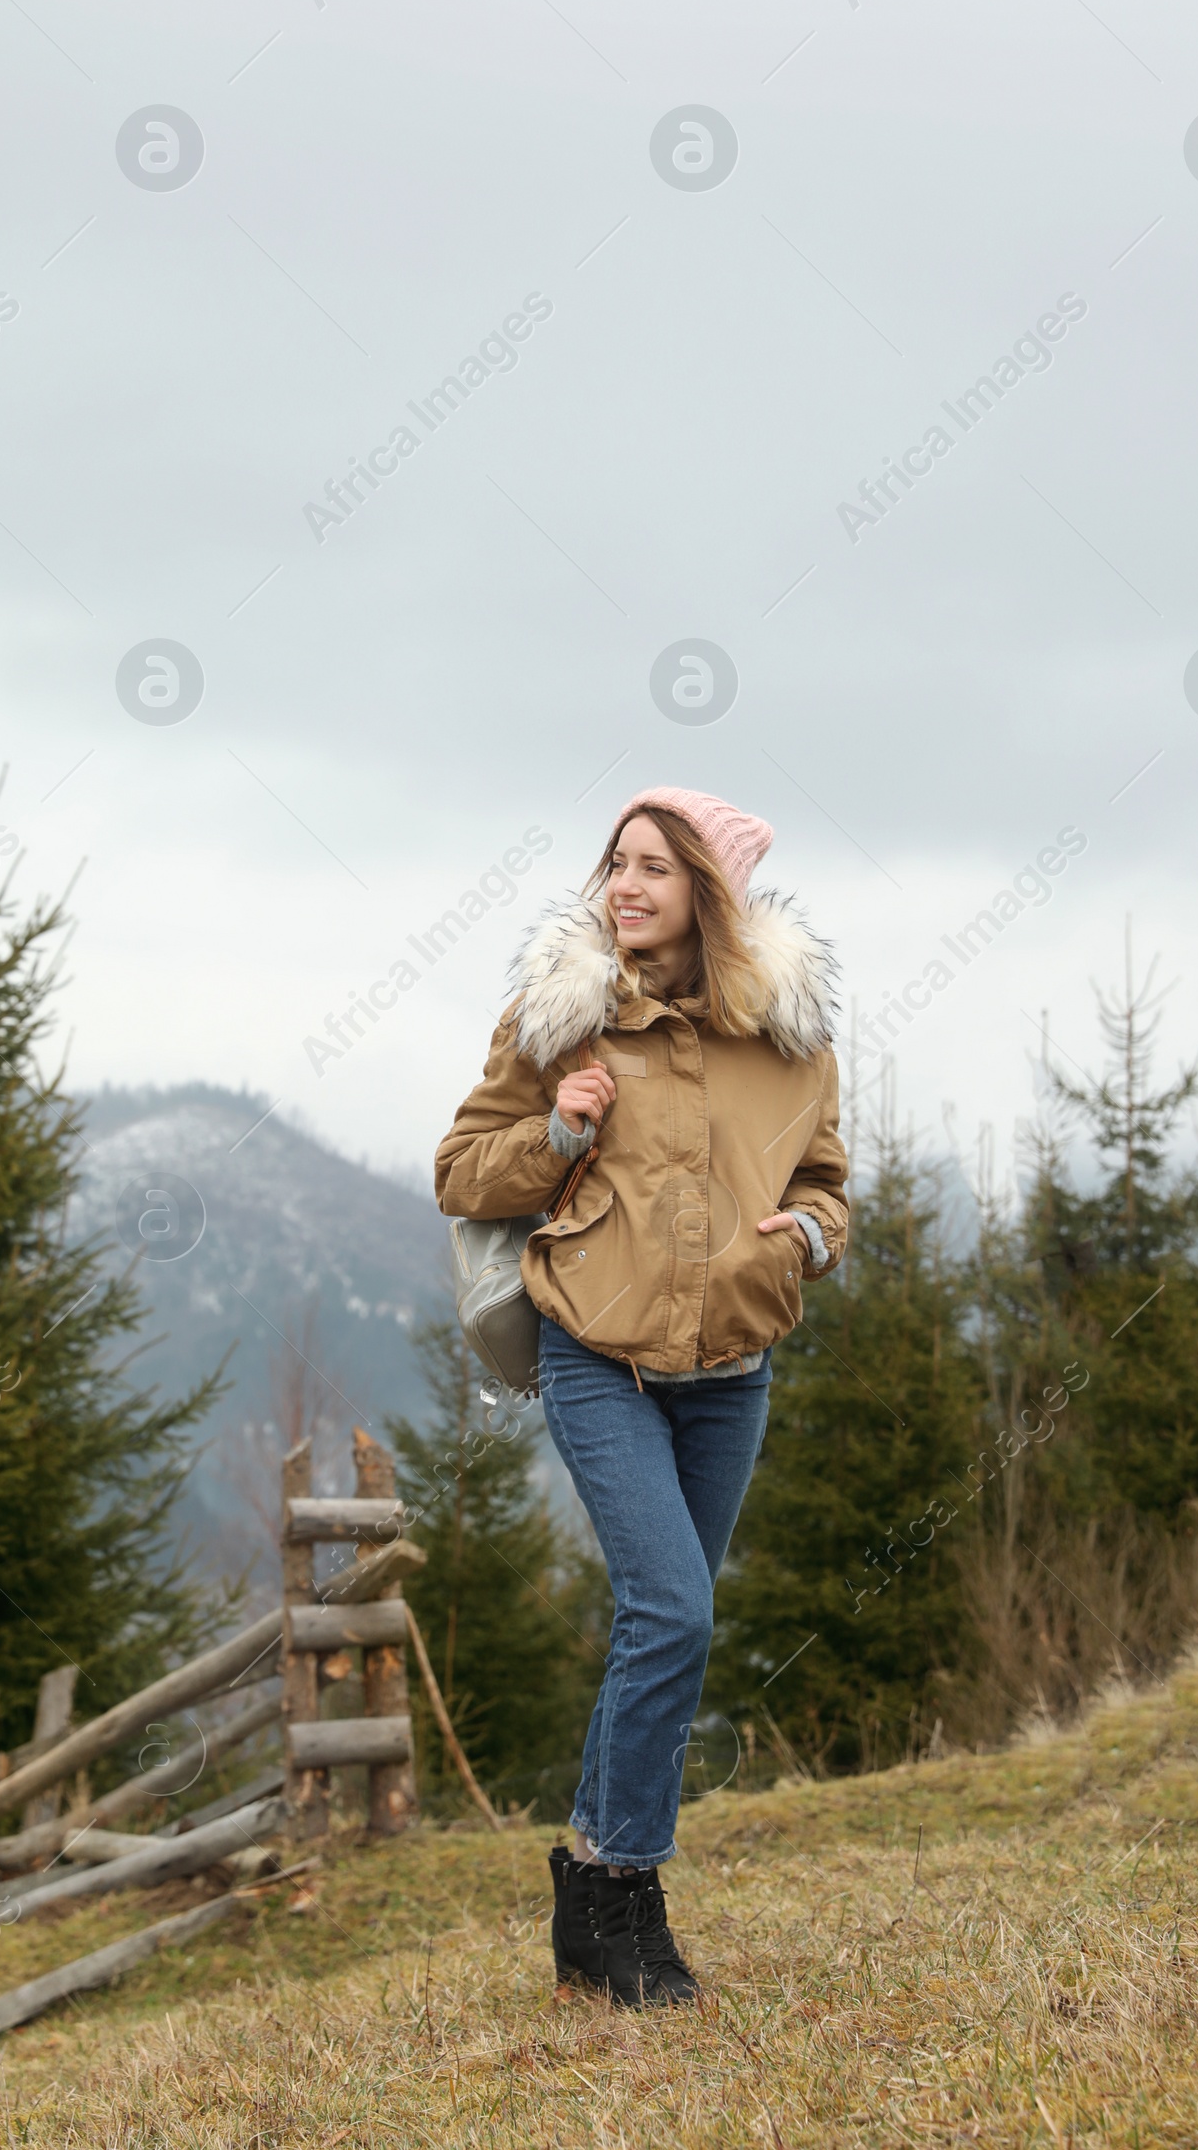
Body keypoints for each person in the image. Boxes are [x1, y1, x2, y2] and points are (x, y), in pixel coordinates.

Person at [434, 787, 847, 2008]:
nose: (626, 886)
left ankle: (597, 1914)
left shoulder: (788, 1034)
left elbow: (827, 1181)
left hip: (734, 1369)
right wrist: (556, 1133)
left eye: (657, 869)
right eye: (616, 863)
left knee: (662, 1630)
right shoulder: (560, 1019)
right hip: (595, 1351)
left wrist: (810, 1239)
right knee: (671, 1612)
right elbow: (461, 1170)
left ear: (709, 893)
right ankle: (622, 1887)